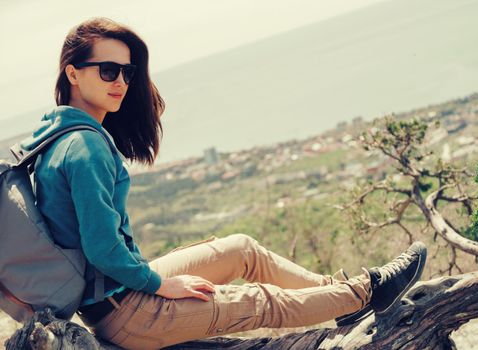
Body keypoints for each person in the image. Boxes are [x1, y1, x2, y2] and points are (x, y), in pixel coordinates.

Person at [20, 17, 427, 350]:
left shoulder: (58, 134)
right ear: (73, 73)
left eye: (128, 71)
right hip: (126, 313)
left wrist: (153, 282)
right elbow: (103, 249)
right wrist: (162, 285)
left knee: (241, 250)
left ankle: (339, 295)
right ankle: (367, 292)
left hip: (116, 295)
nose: (122, 81)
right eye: (108, 70)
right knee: (259, 302)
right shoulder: (85, 148)